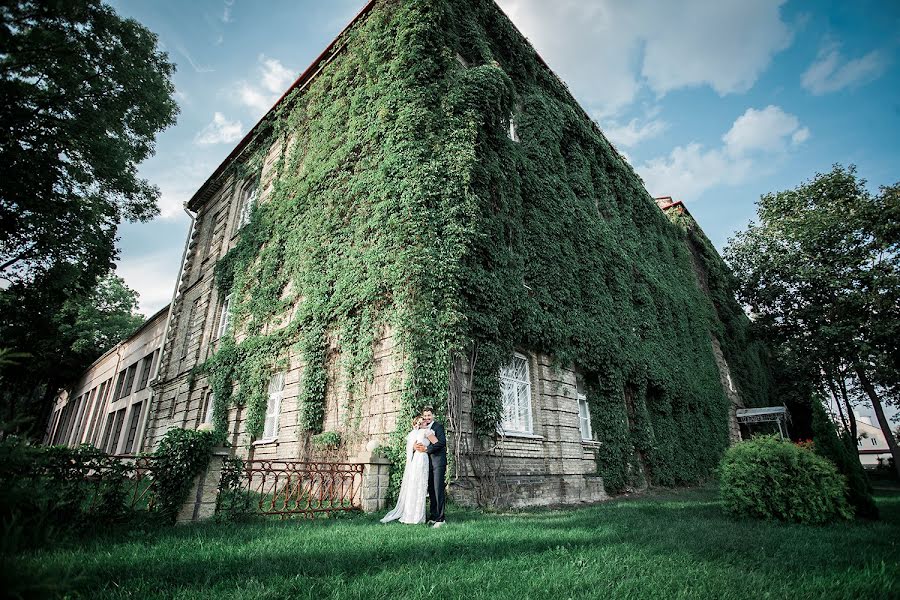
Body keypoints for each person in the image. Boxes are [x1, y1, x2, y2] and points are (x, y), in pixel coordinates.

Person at [380, 416, 438, 524]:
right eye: (423, 421)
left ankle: (411, 515)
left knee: (414, 485)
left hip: (416, 459)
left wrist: (416, 446)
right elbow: (437, 443)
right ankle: (418, 516)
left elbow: (411, 448)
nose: (425, 422)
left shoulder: (415, 433)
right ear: (420, 424)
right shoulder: (427, 432)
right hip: (422, 458)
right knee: (420, 486)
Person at [415, 407, 447, 527]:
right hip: (427, 463)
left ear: (433, 415)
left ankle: (441, 519)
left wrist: (427, 449)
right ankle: (434, 516)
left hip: (438, 462)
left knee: (438, 489)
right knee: (432, 490)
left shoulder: (438, 427)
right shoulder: (423, 428)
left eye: (429, 415)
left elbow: (441, 443)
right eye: (425, 416)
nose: (427, 418)